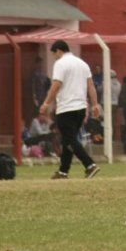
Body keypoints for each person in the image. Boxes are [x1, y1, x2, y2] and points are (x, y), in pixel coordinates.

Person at [40, 40, 101, 179]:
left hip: (66, 108)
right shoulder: (82, 63)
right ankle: (63, 171)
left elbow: (56, 84)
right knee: (68, 140)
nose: (54, 57)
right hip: (81, 109)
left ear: (58, 51)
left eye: (54, 54)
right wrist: (95, 104)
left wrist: (46, 103)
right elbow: (91, 86)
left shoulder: (60, 64)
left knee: (70, 139)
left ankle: (90, 165)